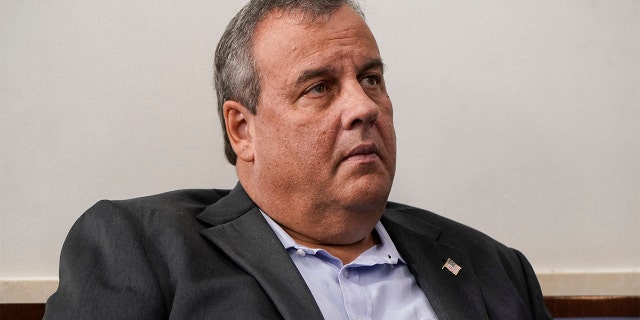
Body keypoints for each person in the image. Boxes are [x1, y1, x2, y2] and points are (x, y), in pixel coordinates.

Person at [43, 0, 553, 319]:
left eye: (371, 79)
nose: (363, 107)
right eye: (319, 88)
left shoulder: (496, 269)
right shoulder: (142, 247)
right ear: (243, 130)